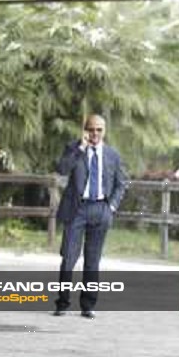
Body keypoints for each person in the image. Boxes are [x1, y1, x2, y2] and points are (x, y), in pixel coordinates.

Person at [54, 114, 127, 319]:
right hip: (76, 210)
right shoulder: (74, 149)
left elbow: (122, 183)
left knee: (93, 261)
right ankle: (62, 303)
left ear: (104, 131)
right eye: (91, 129)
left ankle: (88, 305)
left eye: (99, 130)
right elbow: (61, 169)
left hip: (100, 210)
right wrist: (80, 148)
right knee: (68, 258)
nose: (95, 133)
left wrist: (110, 207)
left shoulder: (112, 155)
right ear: (85, 130)